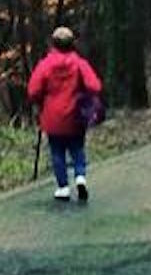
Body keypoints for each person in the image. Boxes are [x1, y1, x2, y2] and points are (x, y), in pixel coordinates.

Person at [27, 26, 102, 201]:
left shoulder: (45, 65)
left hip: (52, 116)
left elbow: (33, 91)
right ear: (72, 43)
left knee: (57, 151)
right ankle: (80, 176)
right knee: (77, 148)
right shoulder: (79, 63)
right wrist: (83, 95)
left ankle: (63, 187)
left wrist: (42, 99)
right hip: (76, 115)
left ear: (53, 43)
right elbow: (95, 86)